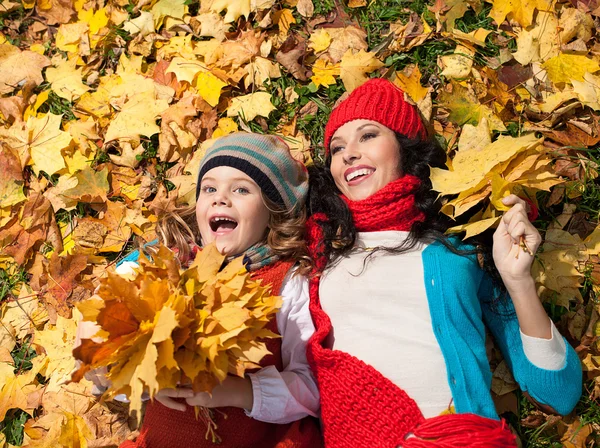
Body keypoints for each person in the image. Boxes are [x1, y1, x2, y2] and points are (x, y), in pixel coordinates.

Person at [305, 78, 582, 447]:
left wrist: (518, 281)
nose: (348, 154)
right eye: (336, 148)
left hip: (457, 437)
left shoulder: (458, 248)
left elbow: (558, 393)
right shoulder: (319, 244)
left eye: (367, 135)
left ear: (405, 148)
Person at [77, 132, 323, 448]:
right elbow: (99, 353)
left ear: (273, 211)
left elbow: (311, 385)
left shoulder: (286, 283)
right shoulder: (163, 266)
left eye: (241, 189)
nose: (220, 197)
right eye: (209, 188)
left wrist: (239, 391)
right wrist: (145, 379)